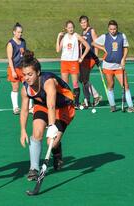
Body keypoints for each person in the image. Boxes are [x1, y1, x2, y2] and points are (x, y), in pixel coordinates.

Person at [19, 51, 75, 181]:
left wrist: (51, 126)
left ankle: (57, 150)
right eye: (24, 75)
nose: (27, 78)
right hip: (42, 105)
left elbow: (52, 105)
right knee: (37, 133)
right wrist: (22, 130)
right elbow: (24, 110)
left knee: (52, 142)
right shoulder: (25, 89)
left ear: (38, 72)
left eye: (30, 74)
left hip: (63, 107)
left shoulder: (48, 82)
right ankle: (34, 168)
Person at [92, 20, 134, 113]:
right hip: (107, 66)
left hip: (118, 65)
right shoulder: (104, 37)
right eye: (111, 29)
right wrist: (102, 48)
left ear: (117, 28)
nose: (112, 31)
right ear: (108, 29)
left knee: (125, 85)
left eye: (114, 29)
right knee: (111, 85)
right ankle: (112, 105)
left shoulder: (122, 36)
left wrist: (123, 59)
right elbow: (93, 43)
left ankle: (130, 106)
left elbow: (125, 48)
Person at [56, 20, 90, 109]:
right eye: (69, 27)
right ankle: (66, 102)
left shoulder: (76, 36)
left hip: (73, 62)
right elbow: (58, 50)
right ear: (66, 28)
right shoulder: (64, 37)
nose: (71, 29)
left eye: (72, 27)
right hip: (64, 62)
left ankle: (76, 103)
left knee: (75, 84)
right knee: (65, 84)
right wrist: (58, 37)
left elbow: (87, 46)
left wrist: (81, 57)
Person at [7, 22, 33, 114]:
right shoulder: (11, 43)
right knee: (15, 88)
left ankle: (30, 107)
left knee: (28, 86)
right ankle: (15, 107)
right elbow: (10, 58)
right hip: (13, 68)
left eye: (21, 32)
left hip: (22, 68)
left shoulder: (23, 42)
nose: (20, 34)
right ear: (14, 32)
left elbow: (24, 55)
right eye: (18, 32)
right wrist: (13, 71)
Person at [78, 15, 102, 108]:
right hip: (84, 58)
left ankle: (95, 96)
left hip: (90, 58)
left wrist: (96, 58)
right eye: (82, 23)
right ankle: (87, 100)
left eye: (85, 22)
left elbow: (96, 44)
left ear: (88, 22)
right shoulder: (82, 32)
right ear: (80, 24)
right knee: (82, 79)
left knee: (84, 79)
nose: (84, 24)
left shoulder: (91, 30)